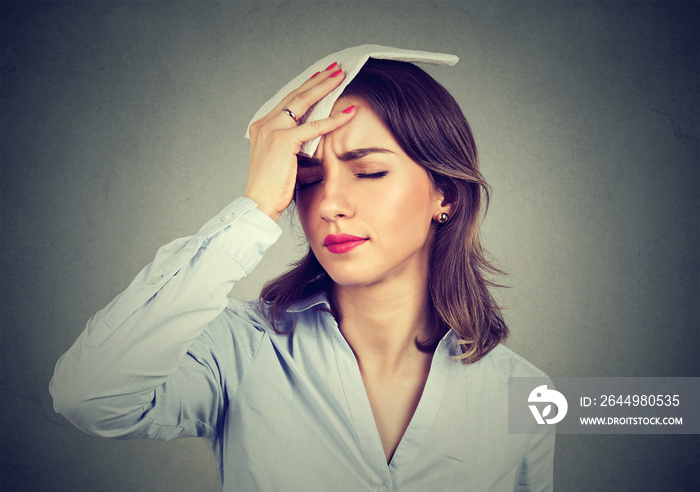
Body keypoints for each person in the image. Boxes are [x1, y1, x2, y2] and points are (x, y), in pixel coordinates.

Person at [50, 45, 554, 491]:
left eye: (370, 171)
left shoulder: (521, 395)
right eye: (309, 180)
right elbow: (90, 398)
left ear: (444, 193)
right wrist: (256, 207)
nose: (330, 203)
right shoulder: (241, 349)